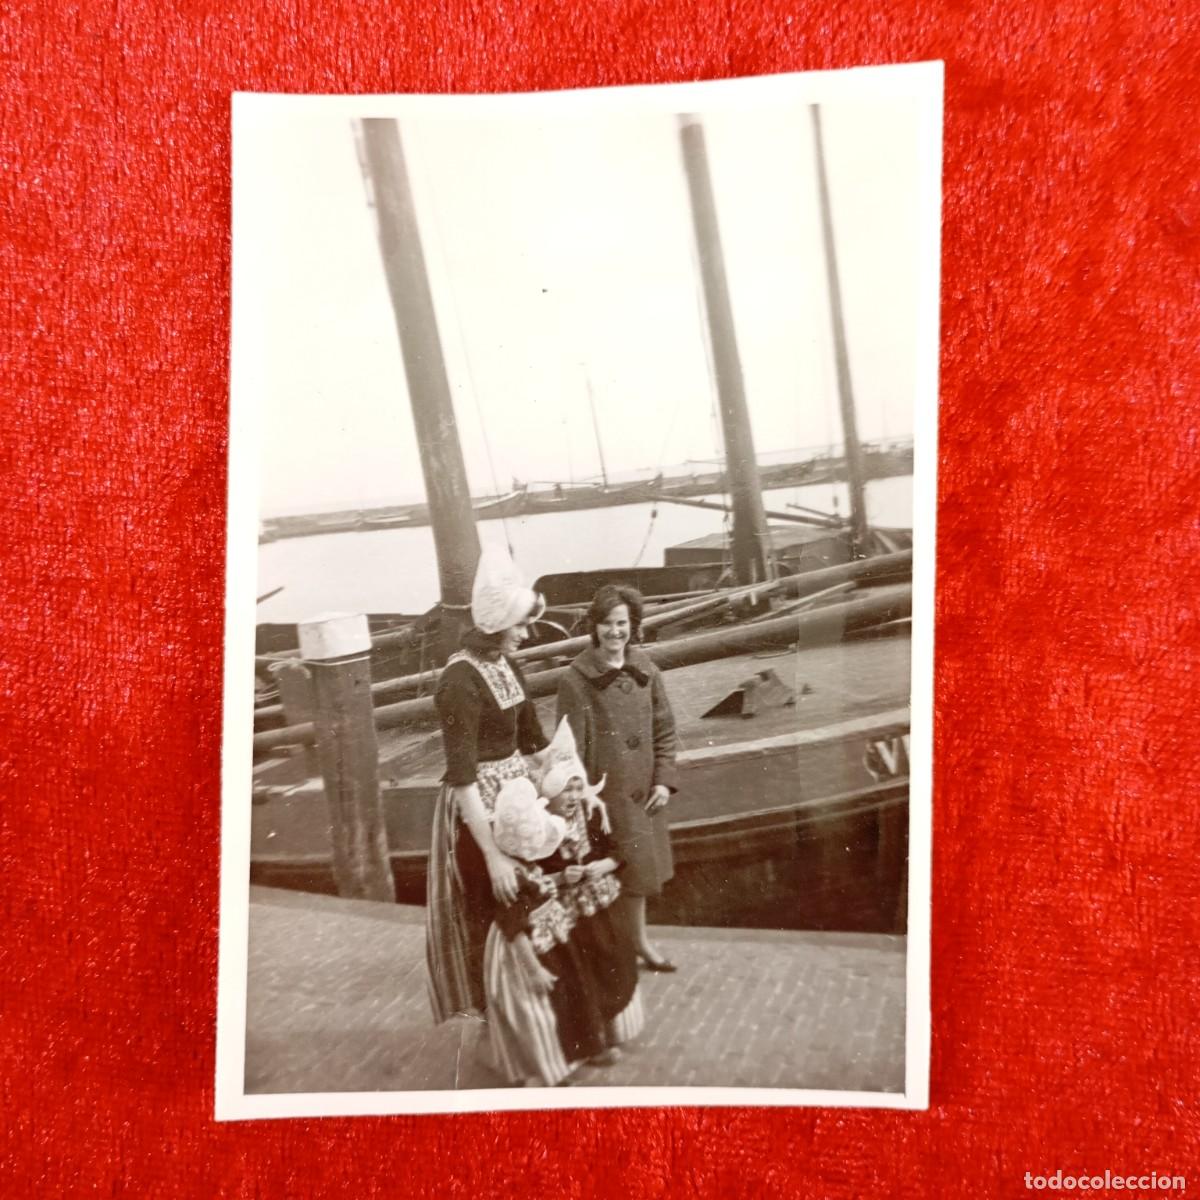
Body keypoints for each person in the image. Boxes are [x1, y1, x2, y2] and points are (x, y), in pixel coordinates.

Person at [426, 548, 550, 1023]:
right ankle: (502, 1025)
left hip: (518, 799)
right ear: (497, 623)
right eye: (520, 624)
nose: (526, 632)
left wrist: (567, 780)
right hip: (479, 812)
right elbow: (462, 778)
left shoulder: (506, 662)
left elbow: (534, 740)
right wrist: (494, 856)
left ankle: (539, 1020)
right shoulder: (459, 681)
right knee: (493, 907)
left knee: (536, 902)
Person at [556, 584, 680, 973]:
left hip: (644, 792)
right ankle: (617, 948)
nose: (615, 632)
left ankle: (637, 942)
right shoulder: (576, 681)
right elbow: (567, 751)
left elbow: (665, 730)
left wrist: (663, 780)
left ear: (633, 626)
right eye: (607, 624)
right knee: (613, 868)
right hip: (605, 798)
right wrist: (580, 802)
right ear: (594, 627)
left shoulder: (647, 670)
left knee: (639, 871)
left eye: (622, 623)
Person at [484, 776, 610, 1087]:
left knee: (569, 993)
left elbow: (540, 887)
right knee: (537, 1011)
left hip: (550, 938)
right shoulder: (510, 881)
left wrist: (561, 880)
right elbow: (513, 927)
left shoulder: (528, 867)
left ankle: (582, 1048)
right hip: (527, 952)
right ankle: (545, 1071)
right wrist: (533, 970)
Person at [539, 754, 645, 1059]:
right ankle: (592, 1040)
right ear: (550, 793)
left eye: (577, 788)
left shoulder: (593, 813)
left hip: (602, 903)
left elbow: (620, 849)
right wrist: (560, 876)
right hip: (570, 916)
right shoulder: (541, 828)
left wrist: (605, 864)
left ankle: (614, 1028)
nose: (573, 797)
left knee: (615, 959)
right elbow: (532, 876)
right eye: (565, 790)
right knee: (584, 974)